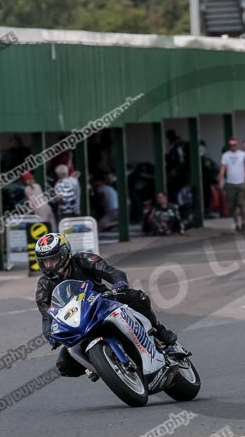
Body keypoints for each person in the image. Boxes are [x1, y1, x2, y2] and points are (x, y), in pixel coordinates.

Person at [34, 233, 177, 377]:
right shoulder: (44, 285)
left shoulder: (83, 260)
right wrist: (51, 336)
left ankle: (159, 330)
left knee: (137, 297)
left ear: (65, 254)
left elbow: (112, 272)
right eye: (45, 261)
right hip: (78, 322)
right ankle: (100, 366)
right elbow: (46, 315)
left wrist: (119, 283)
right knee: (63, 365)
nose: (49, 265)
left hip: (104, 303)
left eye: (53, 259)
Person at [219, 137, 245, 231]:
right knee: (232, 206)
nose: (233, 146)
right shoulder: (225, 155)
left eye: (234, 145)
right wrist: (221, 181)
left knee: (242, 204)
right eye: (231, 145)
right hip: (230, 183)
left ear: (237, 144)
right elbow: (222, 169)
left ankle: (243, 222)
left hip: (241, 182)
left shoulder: (242, 154)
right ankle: (236, 224)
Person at [165, 129, 189, 203]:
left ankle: (177, 204)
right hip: (176, 170)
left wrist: (175, 170)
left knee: (176, 190)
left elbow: (180, 160)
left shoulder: (178, 145)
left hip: (179, 171)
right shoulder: (174, 144)